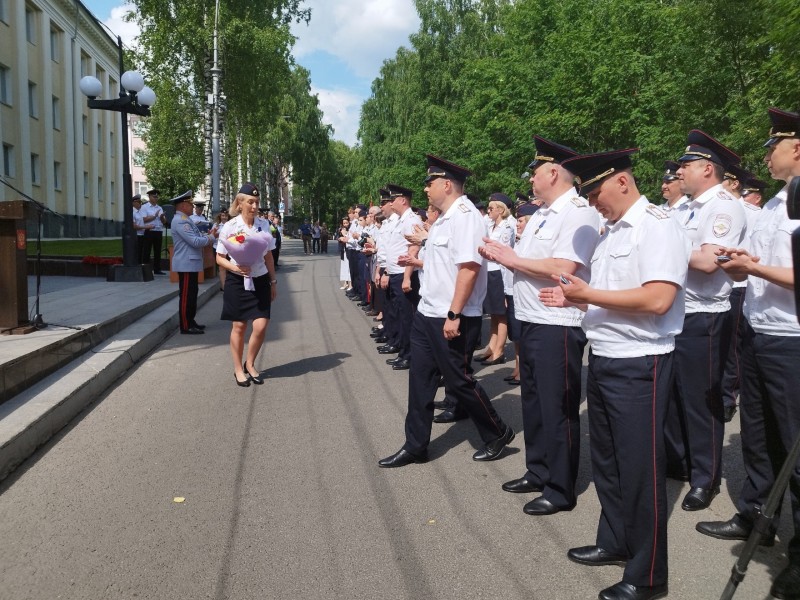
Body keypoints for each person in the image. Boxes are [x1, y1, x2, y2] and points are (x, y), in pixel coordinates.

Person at [542, 148, 690, 600]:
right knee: (607, 462)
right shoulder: (609, 231)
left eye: (595, 191)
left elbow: (658, 299)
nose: (591, 202)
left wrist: (591, 293)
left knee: (640, 470)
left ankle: (647, 576)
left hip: (640, 362)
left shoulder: (658, 227)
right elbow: (612, 299)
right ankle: (615, 540)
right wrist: (578, 300)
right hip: (605, 357)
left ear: (622, 182)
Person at [696, 107, 800, 600]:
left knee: (794, 446)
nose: (767, 154)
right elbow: (765, 264)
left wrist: (753, 271)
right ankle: (756, 517)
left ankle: (797, 558)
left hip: (791, 338)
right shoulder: (779, 203)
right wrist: (744, 267)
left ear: (795, 146)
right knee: (758, 436)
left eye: (773, 145)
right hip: (760, 330)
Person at [481, 136, 599, 516]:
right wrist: (509, 257)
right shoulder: (542, 214)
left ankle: (560, 488)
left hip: (558, 323)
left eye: (535, 173)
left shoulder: (577, 212)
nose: (530, 180)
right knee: (534, 403)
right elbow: (528, 262)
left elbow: (564, 268)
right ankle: (538, 470)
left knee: (557, 407)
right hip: (531, 318)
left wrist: (511, 259)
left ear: (553, 172)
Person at [378, 154, 514, 468]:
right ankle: (415, 445)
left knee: (459, 380)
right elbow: (442, 264)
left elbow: (467, 269)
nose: (425, 189)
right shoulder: (445, 218)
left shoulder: (465, 216)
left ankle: (497, 431)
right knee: (420, 380)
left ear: (447, 184)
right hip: (428, 311)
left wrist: (454, 314)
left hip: (451, 315)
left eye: (430, 183)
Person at [665, 130, 747, 511]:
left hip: (705, 315)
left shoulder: (724, 207)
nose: (679, 171)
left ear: (707, 168)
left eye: (686, 165)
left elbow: (707, 261)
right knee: (675, 396)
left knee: (701, 401)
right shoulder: (685, 207)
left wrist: (663, 249)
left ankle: (705, 477)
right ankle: (681, 462)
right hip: (676, 311)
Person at [216, 183, 278, 388]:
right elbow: (219, 258)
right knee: (239, 326)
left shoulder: (263, 225)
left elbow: (268, 256)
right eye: (250, 202)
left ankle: (250, 363)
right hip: (237, 279)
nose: (254, 206)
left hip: (260, 279)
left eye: (257, 202)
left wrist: (273, 281)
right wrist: (236, 269)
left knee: (261, 325)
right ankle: (237, 369)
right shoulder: (230, 226)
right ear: (240, 203)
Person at [719, 164, 762, 422]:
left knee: (734, 344)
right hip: (724, 284)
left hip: (740, 284)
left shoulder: (752, 212)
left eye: (725, 179)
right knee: (724, 344)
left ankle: (728, 395)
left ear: (735, 183)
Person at [170, 190, 216, 335]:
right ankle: (185, 325)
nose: (192, 206)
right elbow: (195, 241)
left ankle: (191, 320)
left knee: (192, 294)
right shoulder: (180, 221)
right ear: (183, 205)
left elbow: (197, 236)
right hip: (186, 264)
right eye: (190, 204)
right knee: (186, 296)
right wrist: (211, 238)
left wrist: (208, 235)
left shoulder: (186, 219)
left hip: (191, 263)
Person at [477, 193, 515, 366]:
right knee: (493, 312)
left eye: (491, 208)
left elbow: (503, 252)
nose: (488, 211)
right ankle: (491, 347)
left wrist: (486, 252)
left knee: (501, 314)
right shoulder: (491, 225)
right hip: (489, 271)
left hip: (499, 272)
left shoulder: (507, 227)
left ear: (500, 209)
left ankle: (499, 350)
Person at [140, 188, 167, 274]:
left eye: (157, 197)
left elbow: (164, 222)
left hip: (158, 231)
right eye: (154, 197)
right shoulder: (144, 207)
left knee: (157, 251)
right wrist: (154, 216)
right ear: (149, 197)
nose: (156, 198)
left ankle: (157, 269)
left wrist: (162, 217)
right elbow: (143, 219)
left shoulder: (159, 207)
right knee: (147, 251)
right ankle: (145, 269)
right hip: (149, 231)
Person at [211, 209, 230, 291]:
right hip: (217, 247)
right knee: (221, 267)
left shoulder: (231, 225)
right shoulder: (216, 225)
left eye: (226, 216)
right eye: (223, 216)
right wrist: (216, 235)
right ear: (220, 216)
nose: (224, 217)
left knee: (228, 267)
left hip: (229, 249)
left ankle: (228, 284)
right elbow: (212, 236)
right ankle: (223, 286)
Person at [131, 194, 152, 265]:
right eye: (139, 202)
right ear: (134, 202)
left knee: (141, 253)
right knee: (137, 253)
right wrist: (146, 227)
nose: (141, 204)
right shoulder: (132, 213)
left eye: (141, 202)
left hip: (142, 235)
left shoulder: (139, 212)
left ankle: (139, 266)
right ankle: (136, 267)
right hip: (136, 235)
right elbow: (134, 226)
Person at [338, 217, 352, 290]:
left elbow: (349, 238)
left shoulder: (350, 229)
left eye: (346, 223)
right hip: (343, 249)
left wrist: (345, 235)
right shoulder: (341, 229)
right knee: (344, 266)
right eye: (344, 223)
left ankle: (350, 284)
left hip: (349, 249)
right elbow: (339, 237)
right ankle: (345, 283)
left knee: (348, 267)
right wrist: (340, 238)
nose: (345, 224)